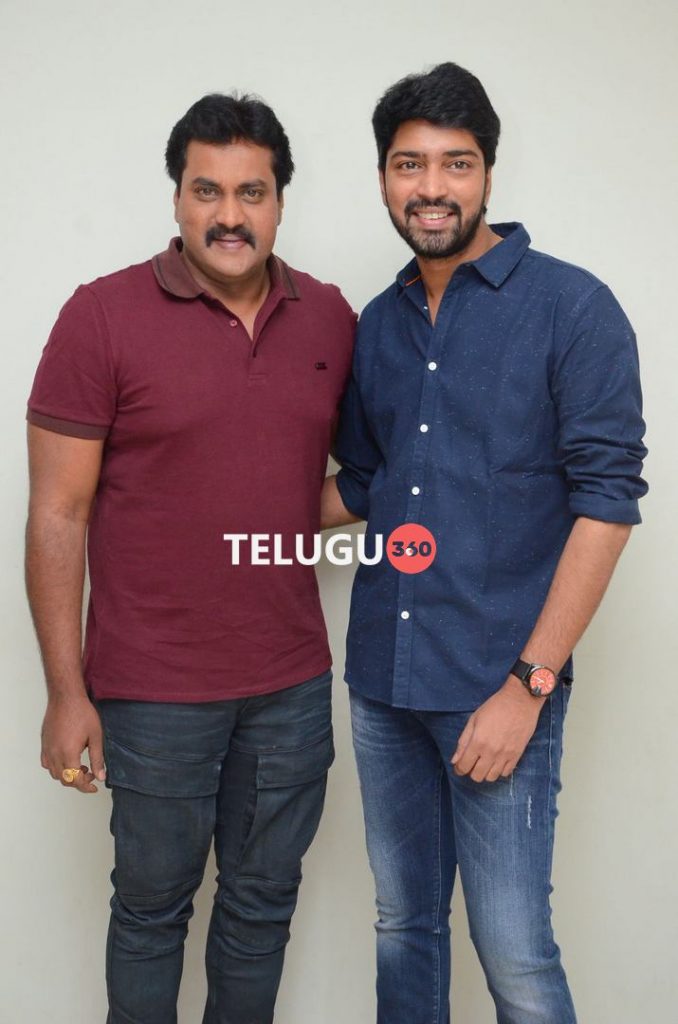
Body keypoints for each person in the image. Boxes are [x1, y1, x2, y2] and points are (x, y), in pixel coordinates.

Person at [321, 62, 647, 1024]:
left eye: (455, 163)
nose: (431, 187)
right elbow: (366, 483)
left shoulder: (572, 309)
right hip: (383, 683)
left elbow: (606, 506)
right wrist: (204, 507)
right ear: (384, 178)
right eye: (409, 164)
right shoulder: (377, 325)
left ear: (488, 173)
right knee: (403, 926)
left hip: (499, 687)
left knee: (514, 955)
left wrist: (529, 686)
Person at [26, 92, 354, 1024]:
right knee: (150, 912)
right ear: (177, 197)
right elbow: (57, 513)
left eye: (252, 192)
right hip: (154, 690)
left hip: (290, 685)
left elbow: (339, 483)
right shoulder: (101, 316)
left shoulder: (331, 318)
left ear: (280, 201)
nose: (229, 215)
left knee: (261, 910)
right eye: (207, 190)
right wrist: (66, 692)